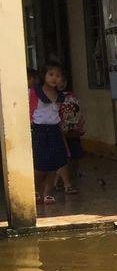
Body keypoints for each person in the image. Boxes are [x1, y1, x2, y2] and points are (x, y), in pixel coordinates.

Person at [29, 62, 69, 206]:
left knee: (54, 164)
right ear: (44, 76)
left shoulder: (60, 96)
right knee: (39, 165)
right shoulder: (35, 92)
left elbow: (58, 112)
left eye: (58, 76)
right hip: (39, 131)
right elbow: (28, 109)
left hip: (54, 131)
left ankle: (48, 192)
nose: (54, 78)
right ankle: (34, 190)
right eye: (51, 74)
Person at [53, 67, 85, 195]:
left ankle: (59, 181)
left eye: (61, 78)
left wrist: (80, 125)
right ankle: (64, 183)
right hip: (59, 130)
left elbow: (78, 112)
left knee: (73, 156)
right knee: (63, 157)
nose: (59, 82)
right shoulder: (52, 97)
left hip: (73, 131)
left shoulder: (71, 96)